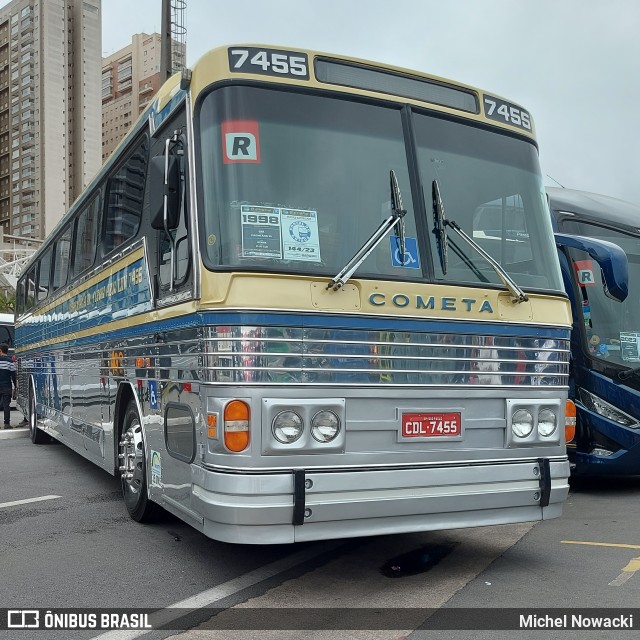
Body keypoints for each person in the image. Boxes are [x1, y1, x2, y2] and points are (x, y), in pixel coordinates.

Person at [0, 342, 16, 428]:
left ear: (0, 350)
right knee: (6, 405)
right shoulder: (10, 362)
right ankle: (6, 424)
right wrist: (16, 386)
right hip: (7, 386)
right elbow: (13, 375)